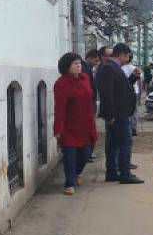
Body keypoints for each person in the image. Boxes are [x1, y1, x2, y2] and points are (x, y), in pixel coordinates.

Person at [96, 43, 143, 184]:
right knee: (124, 142)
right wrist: (110, 115)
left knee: (114, 143)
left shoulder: (115, 68)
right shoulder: (109, 68)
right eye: (128, 56)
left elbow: (121, 88)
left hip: (118, 113)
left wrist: (134, 77)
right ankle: (124, 174)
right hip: (117, 114)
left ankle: (113, 172)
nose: (128, 59)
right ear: (122, 54)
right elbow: (107, 94)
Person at [54, 53, 97, 195]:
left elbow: (90, 99)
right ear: (67, 67)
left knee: (86, 152)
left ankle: (77, 173)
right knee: (70, 156)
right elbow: (59, 108)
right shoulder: (62, 83)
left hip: (86, 123)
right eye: (75, 64)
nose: (79, 66)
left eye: (79, 63)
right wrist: (58, 129)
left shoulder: (85, 79)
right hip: (70, 126)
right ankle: (69, 183)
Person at [121, 54, 142, 136]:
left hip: (125, 92)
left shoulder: (120, 68)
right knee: (134, 111)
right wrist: (140, 93)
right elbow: (139, 82)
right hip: (135, 92)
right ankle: (133, 128)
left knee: (126, 110)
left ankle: (127, 128)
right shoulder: (135, 68)